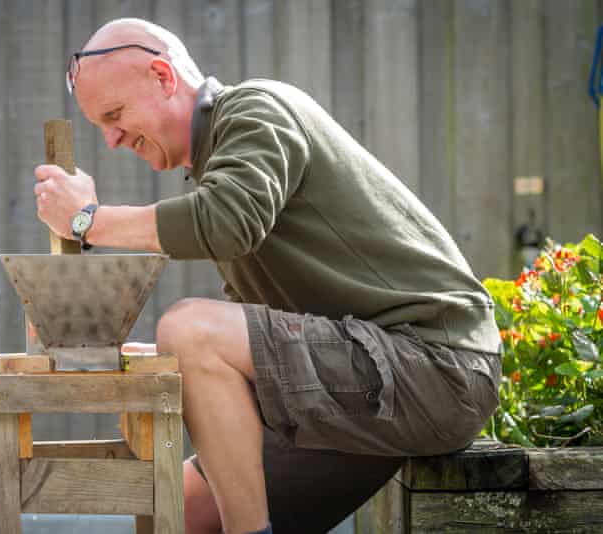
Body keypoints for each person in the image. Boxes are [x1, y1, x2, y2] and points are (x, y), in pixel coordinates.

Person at [34, 18, 501, 534]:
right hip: (371, 374)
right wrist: (159, 363)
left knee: (190, 327)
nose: (113, 139)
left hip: (433, 365)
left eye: (115, 115)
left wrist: (88, 220)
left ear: (163, 77)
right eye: (101, 126)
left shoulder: (257, 110)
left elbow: (225, 223)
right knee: (179, 510)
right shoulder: (220, 166)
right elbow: (262, 330)